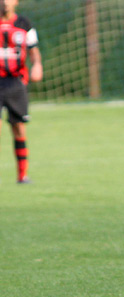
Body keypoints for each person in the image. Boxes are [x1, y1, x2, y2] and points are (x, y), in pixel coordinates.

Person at [0, 0, 43, 184]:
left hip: (16, 83)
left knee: (18, 127)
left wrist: (37, 66)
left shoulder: (24, 23)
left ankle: (22, 175)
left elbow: (33, 51)